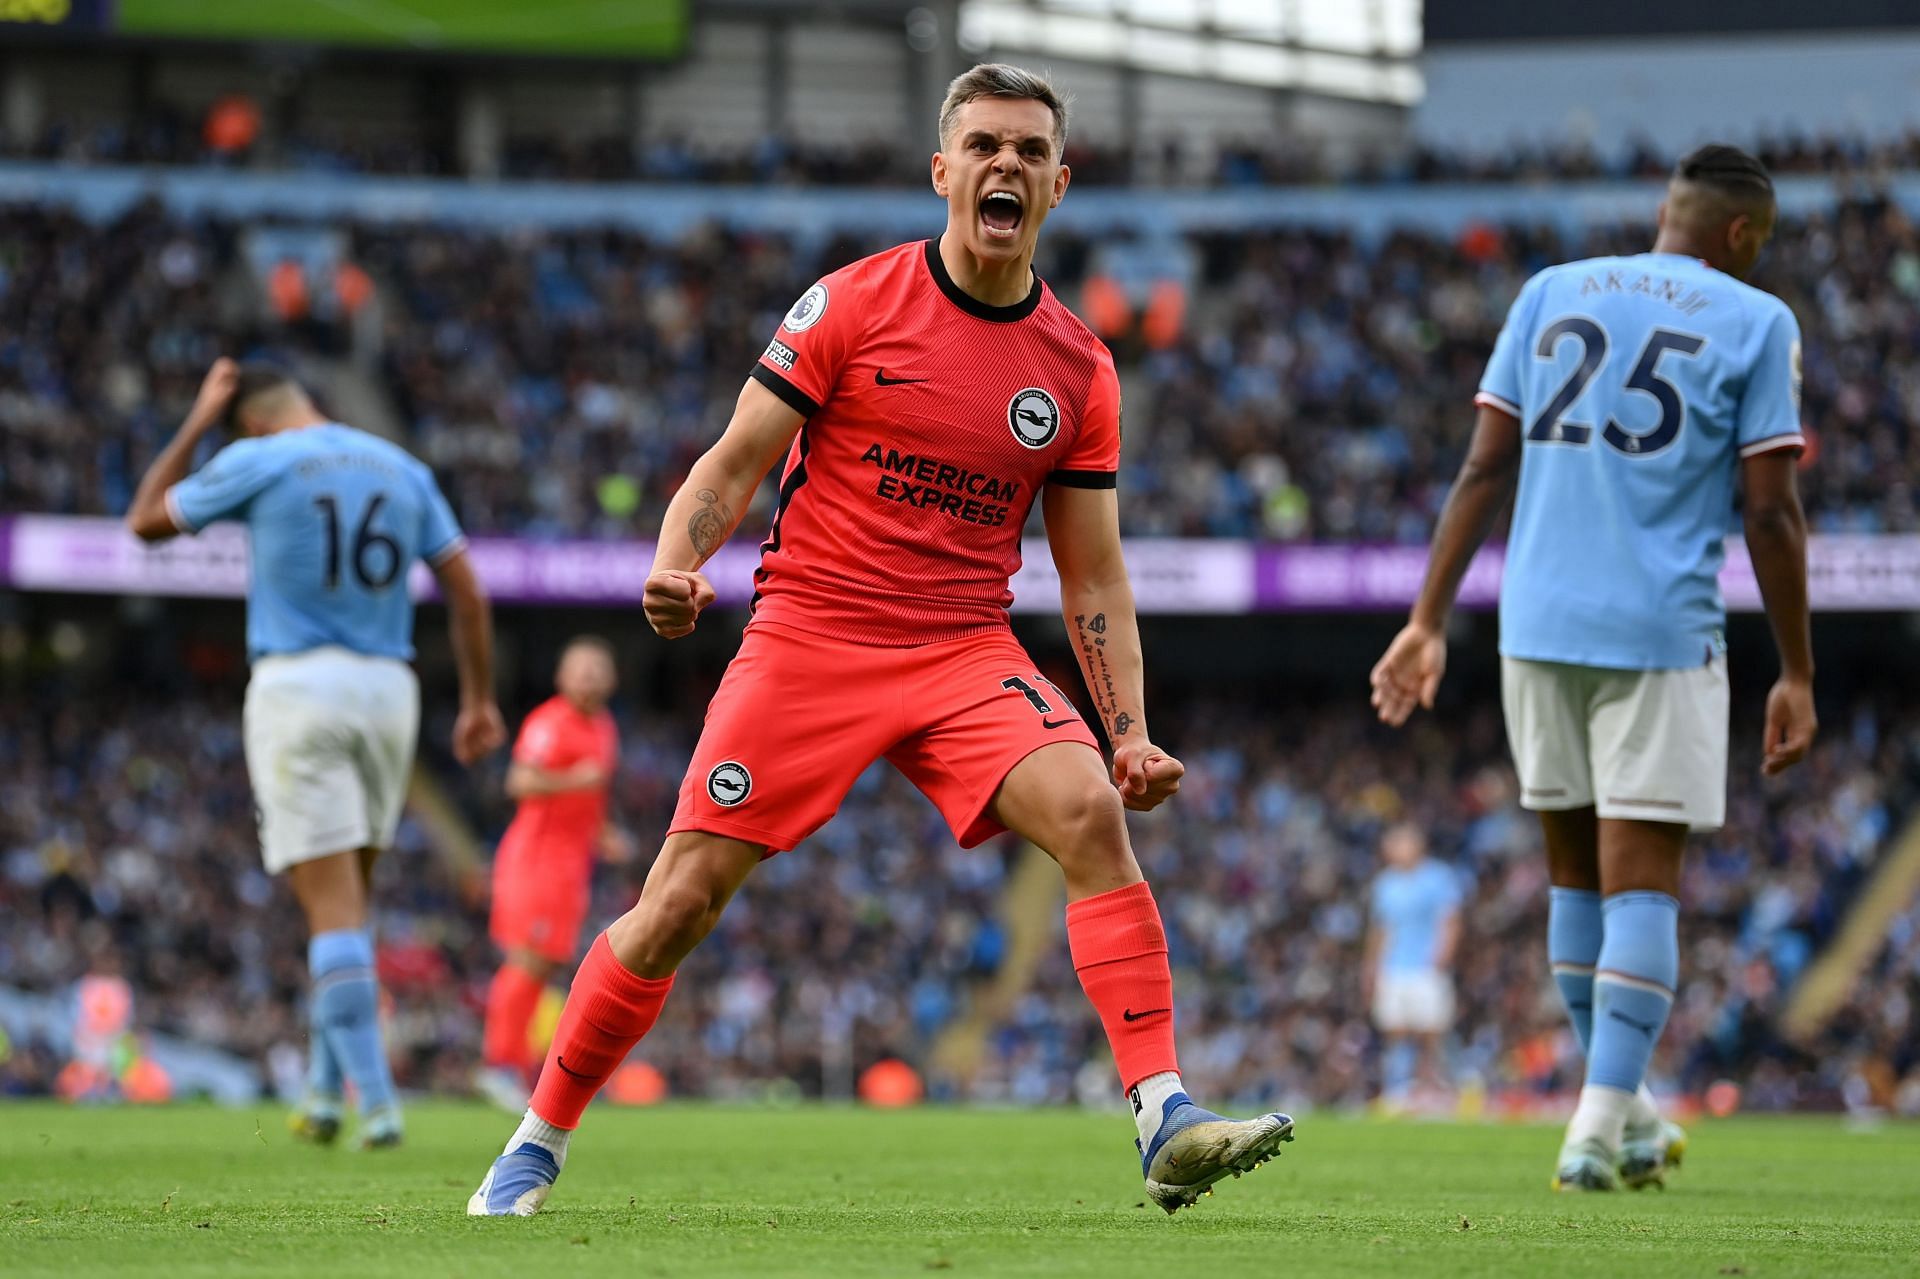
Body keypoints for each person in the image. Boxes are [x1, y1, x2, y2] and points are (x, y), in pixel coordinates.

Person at [469, 62, 1292, 1217]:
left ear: (1060, 184)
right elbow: (735, 458)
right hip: (812, 629)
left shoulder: (1078, 366)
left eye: (1030, 150)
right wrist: (676, 556)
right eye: (986, 145)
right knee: (681, 900)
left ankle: (1163, 1111)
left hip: (963, 645)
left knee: (1092, 812)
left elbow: (1093, 569)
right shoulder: (852, 302)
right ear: (943, 171)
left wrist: (1130, 731)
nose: (1007, 163)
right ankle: (537, 1138)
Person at [1369, 144, 1816, 1190]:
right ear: (1743, 235)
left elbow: (1485, 464)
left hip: (1535, 622)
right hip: (1657, 629)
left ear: (1668, 210)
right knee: (1643, 888)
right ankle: (1592, 1127)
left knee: (1575, 878)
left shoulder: (1548, 291)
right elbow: (1770, 508)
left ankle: (1633, 1115)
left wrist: (1428, 619)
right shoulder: (1758, 320)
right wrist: (1796, 668)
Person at [127, 359, 505, 1148]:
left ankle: (378, 1103)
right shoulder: (401, 466)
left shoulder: (258, 455)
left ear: (254, 418)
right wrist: (476, 700)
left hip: (301, 686)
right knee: (349, 905)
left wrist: (199, 421)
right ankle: (323, 1093)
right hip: (390, 692)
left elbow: (144, 522)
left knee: (330, 907)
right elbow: (466, 588)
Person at [476, 637, 630, 1112]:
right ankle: (498, 1064)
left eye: (597, 668)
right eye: (580, 668)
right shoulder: (549, 722)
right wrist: (571, 781)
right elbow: (518, 781)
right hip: (536, 859)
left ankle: (515, 1064)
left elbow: (594, 792)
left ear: (612, 680)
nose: (588, 677)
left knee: (543, 963)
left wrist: (603, 832)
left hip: (571, 864)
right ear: (561, 677)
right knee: (527, 958)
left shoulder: (604, 727)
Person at [1362, 823, 1461, 1108]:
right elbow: (1381, 929)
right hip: (1394, 967)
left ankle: (1441, 1086)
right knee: (1395, 1028)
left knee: (1431, 1030)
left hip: (1425, 967)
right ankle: (1399, 1088)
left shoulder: (1437, 877)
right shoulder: (1385, 883)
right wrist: (1371, 967)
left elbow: (1450, 920)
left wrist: (1441, 958)